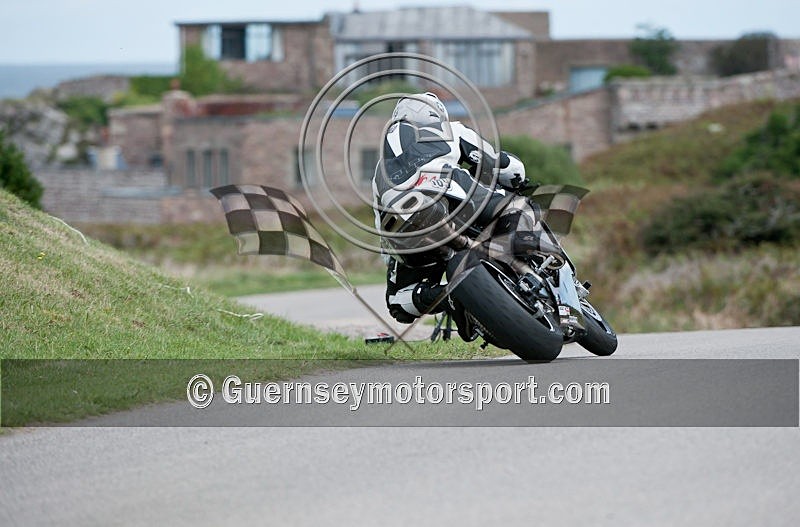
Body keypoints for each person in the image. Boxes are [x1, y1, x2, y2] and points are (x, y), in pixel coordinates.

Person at [372, 92, 529, 324]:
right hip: (453, 195)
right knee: (518, 207)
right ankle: (530, 250)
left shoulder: (378, 173)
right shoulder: (450, 129)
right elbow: (498, 163)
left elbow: (383, 231)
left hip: (406, 234)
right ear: (437, 112)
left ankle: (453, 296)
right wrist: (517, 178)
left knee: (398, 303)